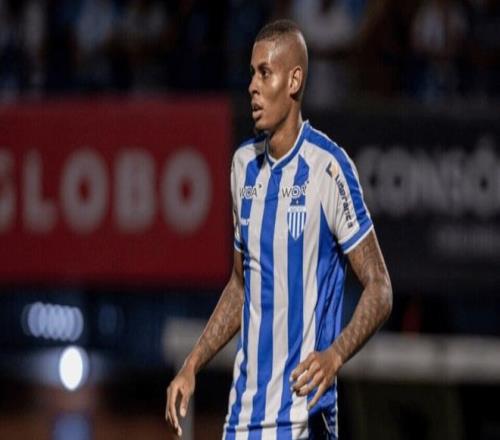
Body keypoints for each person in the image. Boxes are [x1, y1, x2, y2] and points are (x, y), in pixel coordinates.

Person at [165, 19, 392, 439]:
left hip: (302, 416)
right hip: (243, 417)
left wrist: (335, 355)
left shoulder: (328, 168)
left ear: (294, 81)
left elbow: (380, 287)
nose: (252, 86)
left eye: (264, 73)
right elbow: (240, 284)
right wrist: (192, 363)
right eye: (251, 73)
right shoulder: (242, 166)